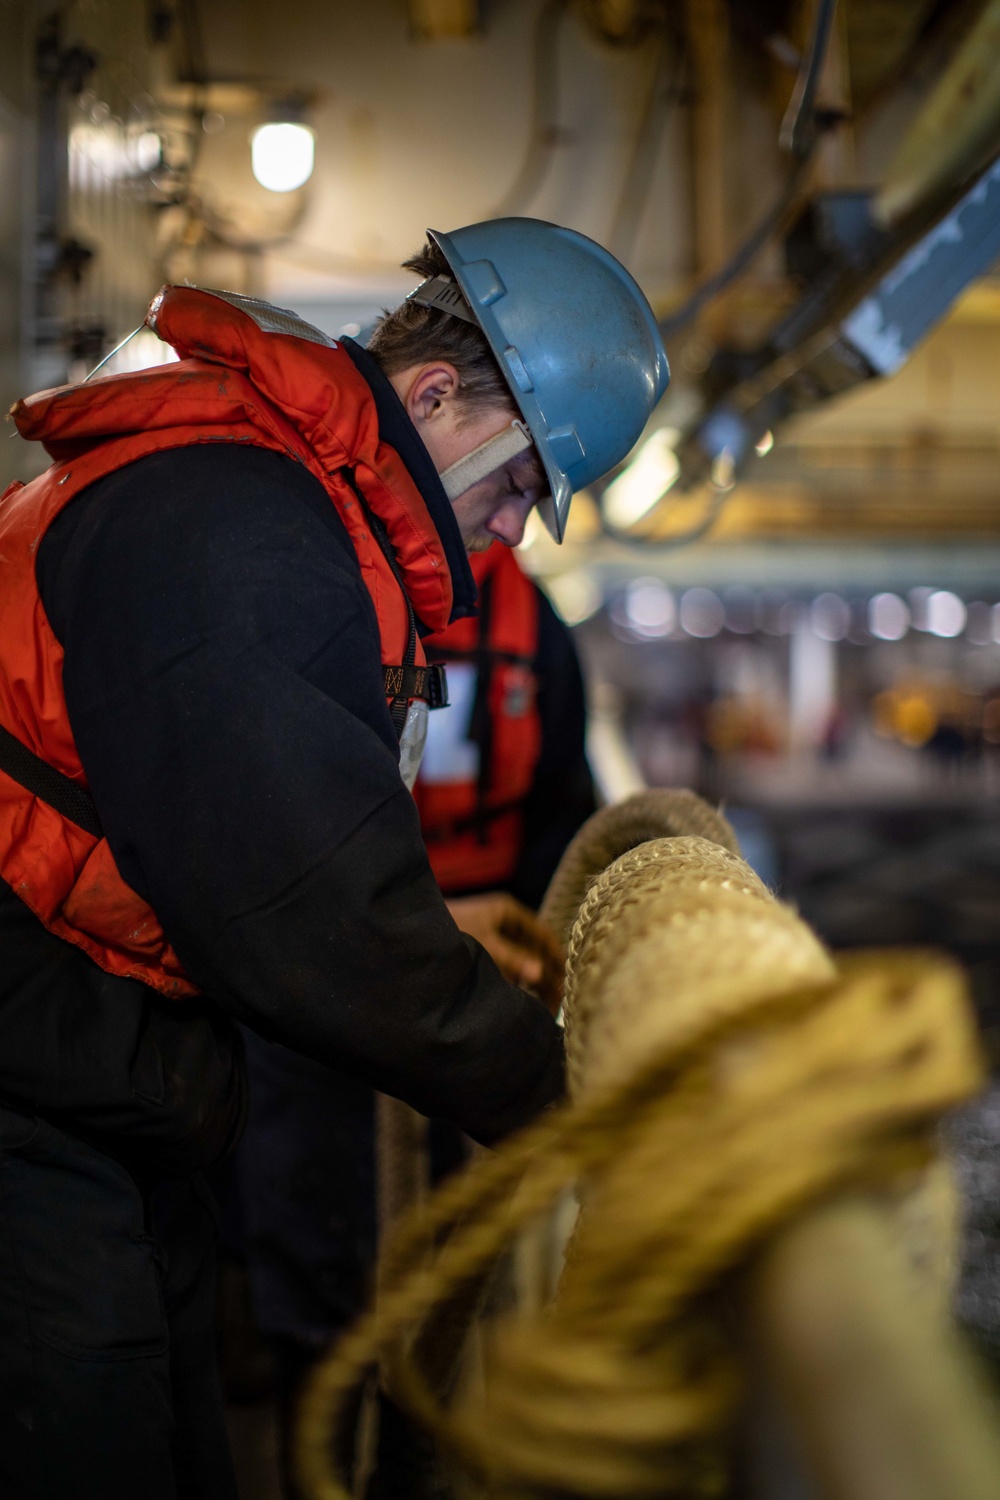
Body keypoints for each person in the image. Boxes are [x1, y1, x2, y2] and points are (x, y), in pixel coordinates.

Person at [0, 216, 668, 1500]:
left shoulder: (268, 497)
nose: (517, 532)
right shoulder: (237, 530)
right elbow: (310, 910)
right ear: (433, 397)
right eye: (523, 484)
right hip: (31, 1069)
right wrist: (569, 1097)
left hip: (95, 1059)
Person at [228, 540, 595, 1496]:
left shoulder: (531, 632)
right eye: (511, 485)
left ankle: (402, 1440)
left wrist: (544, 949)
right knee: (311, 1231)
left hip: (467, 1003)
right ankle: (316, 1430)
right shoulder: (327, 591)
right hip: (319, 991)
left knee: (445, 1246)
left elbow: (561, 814)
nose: (512, 516)